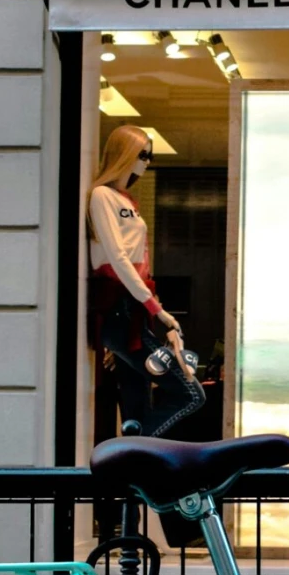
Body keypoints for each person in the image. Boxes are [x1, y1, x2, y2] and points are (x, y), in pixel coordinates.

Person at [87, 125, 189, 436]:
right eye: (141, 155)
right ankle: (137, 450)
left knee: (136, 402)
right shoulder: (102, 196)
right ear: (124, 154)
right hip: (122, 307)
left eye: (149, 156)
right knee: (188, 393)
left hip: (134, 307)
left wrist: (152, 305)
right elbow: (118, 259)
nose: (145, 162)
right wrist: (157, 310)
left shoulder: (126, 199)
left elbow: (135, 261)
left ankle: (136, 461)